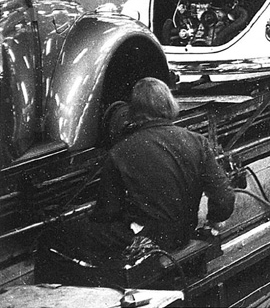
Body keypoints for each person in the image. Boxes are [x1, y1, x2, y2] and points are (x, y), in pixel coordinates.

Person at [34, 77, 235, 284]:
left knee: (50, 237)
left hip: (145, 242)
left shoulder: (120, 151)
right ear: (168, 104)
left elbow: (107, 214)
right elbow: (224, 197)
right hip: (182, 235)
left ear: (134, 111)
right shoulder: (196, 140)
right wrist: (212, 224)